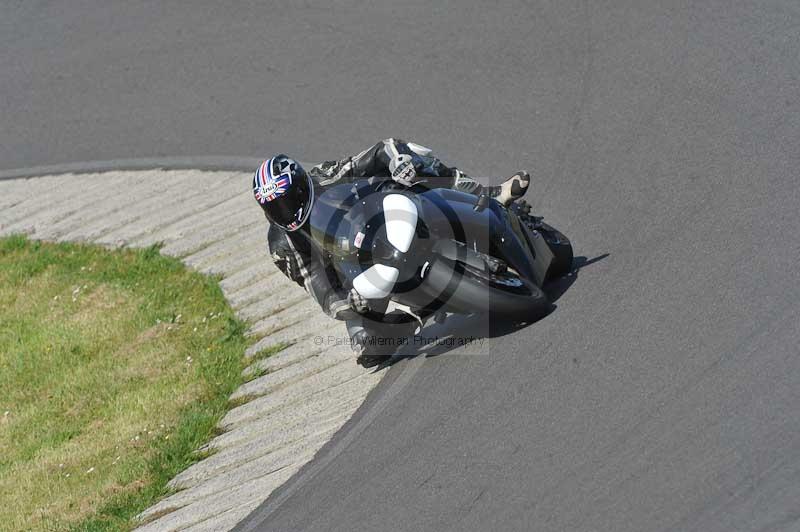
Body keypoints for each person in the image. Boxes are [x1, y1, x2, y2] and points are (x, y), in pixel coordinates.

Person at [252, 139, 530, 367]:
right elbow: (319, 286)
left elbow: (378, 151)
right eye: (275, 207)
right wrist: (349, 304)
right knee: (367, 349)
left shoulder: (323, 176)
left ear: (301, 184)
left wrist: (397, 160)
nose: (285, 211)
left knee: (413, 160)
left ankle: (487, 194)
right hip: (357, 275)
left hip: (385, 216)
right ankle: (404, 322)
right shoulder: (281, 245)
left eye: (288, 200)